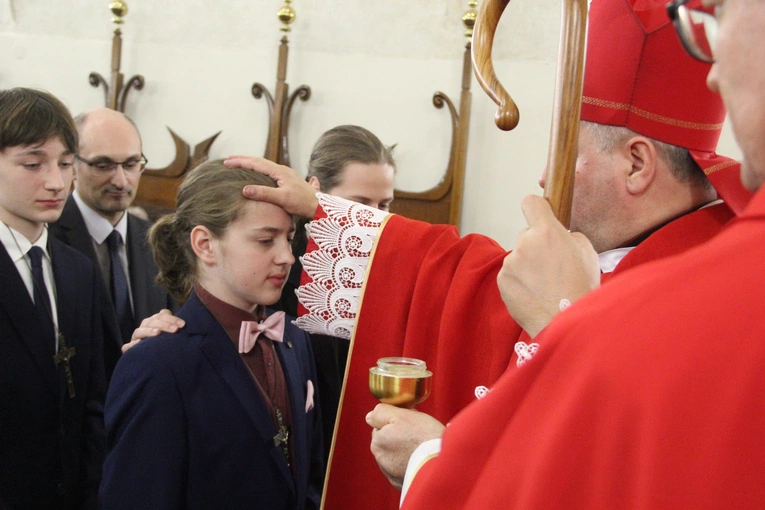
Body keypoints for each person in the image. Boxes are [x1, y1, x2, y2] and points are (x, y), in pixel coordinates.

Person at [225, 0, 751, 507]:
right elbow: (460, 277)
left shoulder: (724, 301)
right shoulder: (636, 257)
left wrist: (436, 459)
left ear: (637, 164)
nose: (546, 176)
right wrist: (322, 210)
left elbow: (625, 473)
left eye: (564, 154)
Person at [99, 159, 324, 508]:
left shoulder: (295, 340)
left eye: (289, 238)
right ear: (204, 244)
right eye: (266, 240)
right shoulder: (157, 365)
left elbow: (308, 478)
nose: (286, 257)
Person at [0, 88, 106, 508]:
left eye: (65, 164)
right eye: (33, 163)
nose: (56, 182)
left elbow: (96, 396)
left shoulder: (79, 270)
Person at [274, 125, 395, 464]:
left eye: (384, 204)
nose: (374, 218)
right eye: (359, 203)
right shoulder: (280, 264)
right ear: (313, 189)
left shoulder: (391, 265)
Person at [49, 107, 177, 378]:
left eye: (131, 164)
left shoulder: (160, 241)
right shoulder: (46, 239)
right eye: (103, 165)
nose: (120, 180)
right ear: (72, 164)